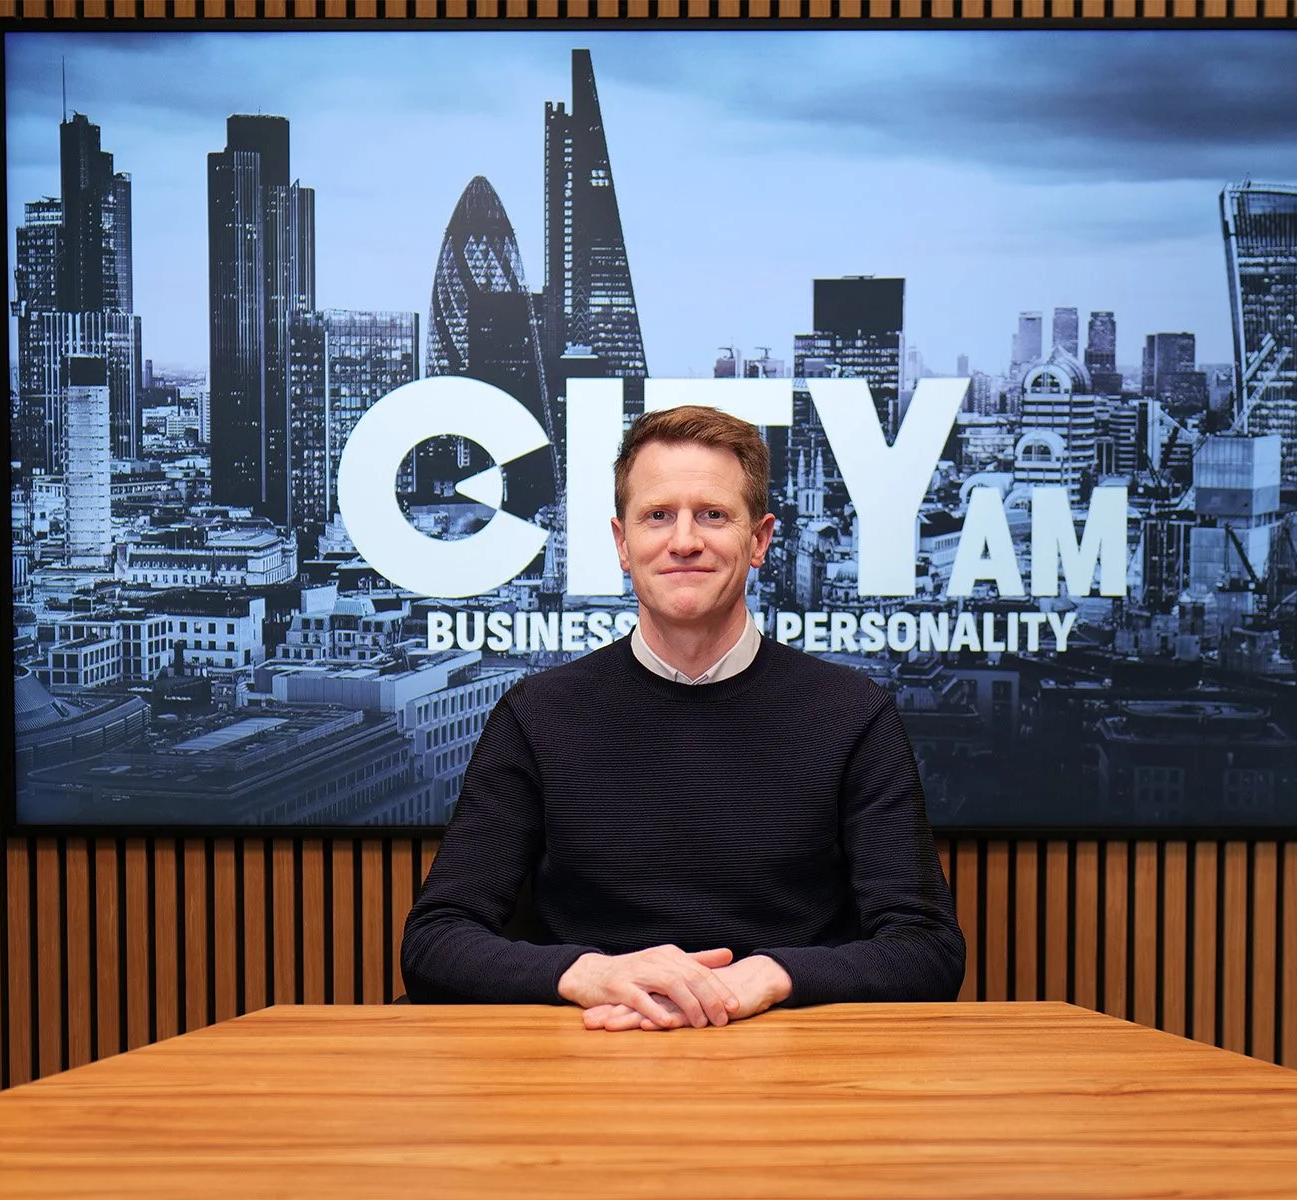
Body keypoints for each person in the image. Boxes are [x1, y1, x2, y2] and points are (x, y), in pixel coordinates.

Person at [400, 404, 964, 1031]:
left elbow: (927, 948)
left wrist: (767, 977)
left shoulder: (854, 714)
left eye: (714, 515)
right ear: (622, 542)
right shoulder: (536, 715)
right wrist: (594, 974)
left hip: (791, 1065)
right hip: (585, 1061)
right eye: (657, 516)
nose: (685, 540)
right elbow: (435, 939)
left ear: (760, 540)